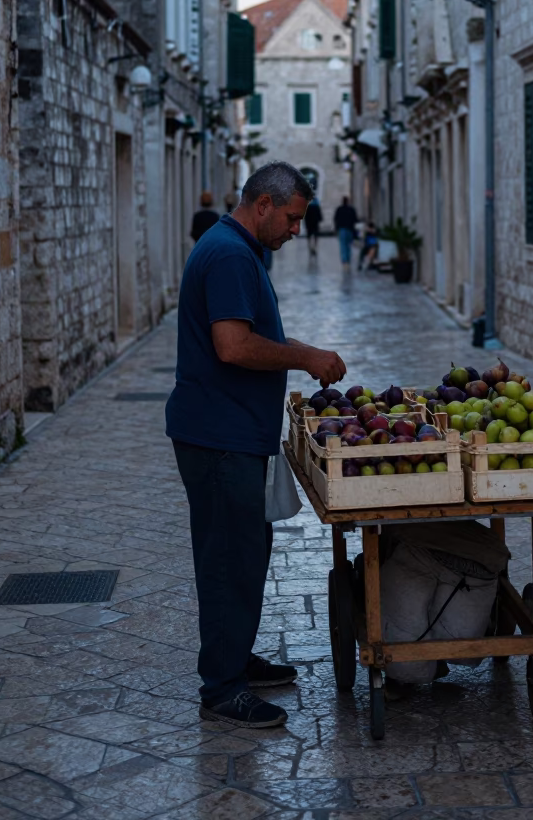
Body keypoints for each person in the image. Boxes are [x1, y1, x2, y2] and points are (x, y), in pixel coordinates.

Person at [166, 161, 346, 731]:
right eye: (292, 218)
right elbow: (234, 347)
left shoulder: (238, 250)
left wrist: (304, 349)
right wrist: (307, 358)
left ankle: (235, 656)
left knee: (246, 552)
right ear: (263, 205)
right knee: (227, 558)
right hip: (218, 437)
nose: (297, 229)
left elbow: (253, 335)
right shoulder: (227, 255)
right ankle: (222, 686)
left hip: (233, 432)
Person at [333, 195, 358, 266]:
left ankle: (344, 260)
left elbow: (336, 219)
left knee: (343, 245)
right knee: (348, 245)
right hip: (350, 229)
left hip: (342, 229)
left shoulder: (339, 209)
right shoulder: (351, 209)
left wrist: (336, 229)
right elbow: (355, 219)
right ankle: (348, 258)